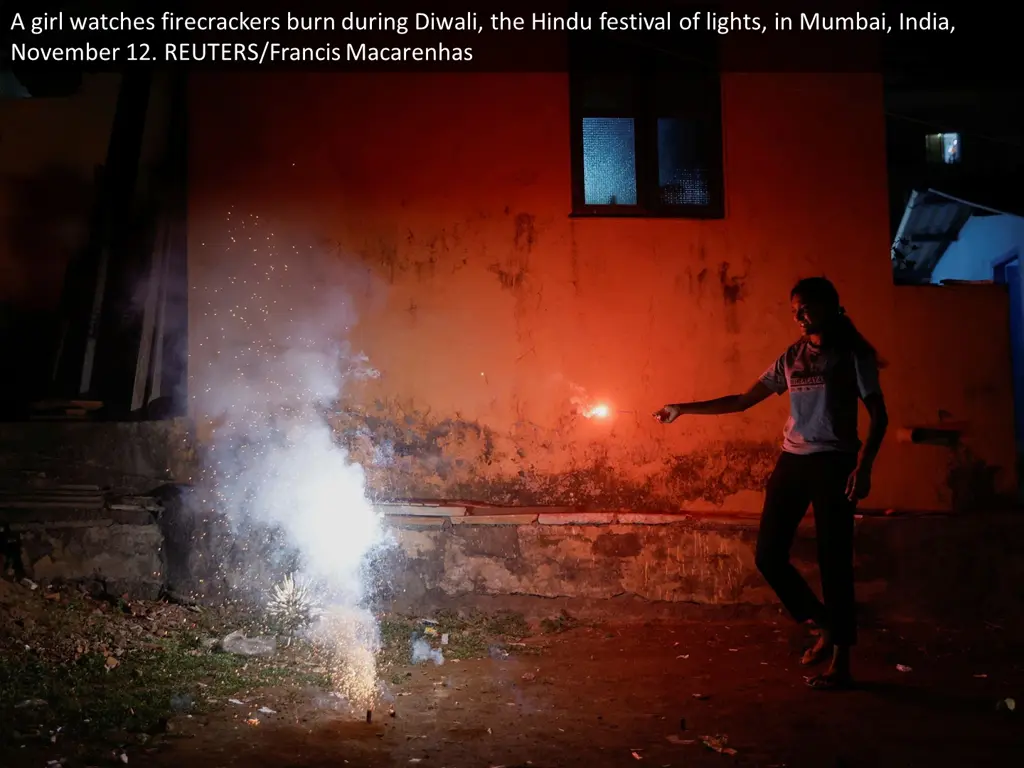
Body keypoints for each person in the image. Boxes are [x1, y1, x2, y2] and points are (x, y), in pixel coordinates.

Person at [654, 276, 888, 691]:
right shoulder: (792, 357)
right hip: (793, 462)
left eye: (806, 308)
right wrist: (682, 409)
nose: (798, 316)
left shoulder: (852, 355)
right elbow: (743, 401)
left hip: (835, 463)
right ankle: (826, 625)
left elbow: (879, 416)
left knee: (834, 560)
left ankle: (841, 662)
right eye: (794, 309)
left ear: (831, 307)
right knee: (768, 555)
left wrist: (864, 466)